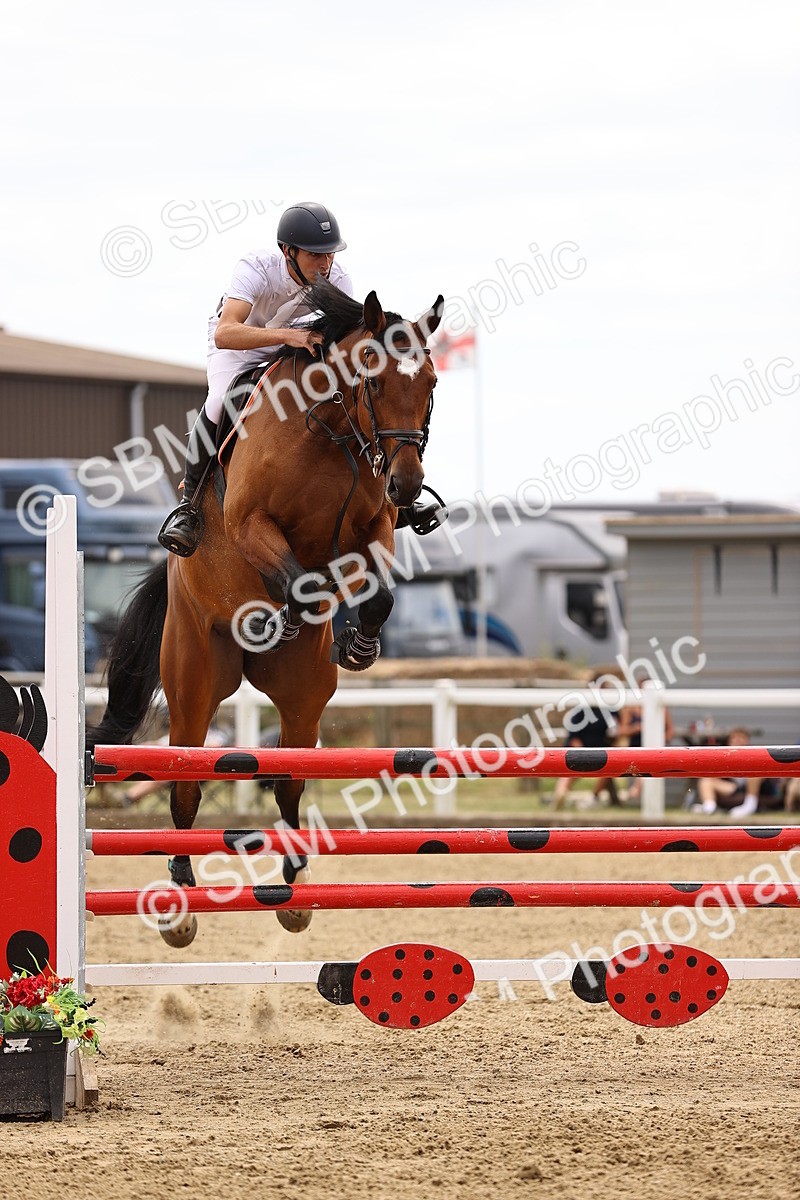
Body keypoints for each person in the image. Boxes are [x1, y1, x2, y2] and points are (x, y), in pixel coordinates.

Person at [159, 201, 444, 557]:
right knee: (218, 400)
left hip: (299, 344)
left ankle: (395, 494)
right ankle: (190, 506)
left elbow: (352, 343)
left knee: (358, 393)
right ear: (288, 252)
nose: (325, 265)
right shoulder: (256, 268)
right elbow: (225, 333)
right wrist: (286, 337)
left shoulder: (339, 279)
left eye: (330, 255)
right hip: (241, 344)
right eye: (315, 256)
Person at [615, 674, 675, 804]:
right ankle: (631, 792)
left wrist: (659, 740)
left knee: (650, 758)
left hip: (655, 749)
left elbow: (670, 731)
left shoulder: (661, 707)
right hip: (635, 747)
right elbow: (622, 731)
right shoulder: (630, 707)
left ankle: (636, 790)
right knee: (642, 760)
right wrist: (636, 728)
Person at [694, 727, 762, 817]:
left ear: (747, 741)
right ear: (729, 742)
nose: (737, 741)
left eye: (741, 738)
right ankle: (709, 807)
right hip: (734, 788)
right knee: (706, 781)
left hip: (754, 788)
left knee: (757, 771)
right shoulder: (724, 758)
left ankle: (750, 806)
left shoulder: (755, 756)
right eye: (734, 738)